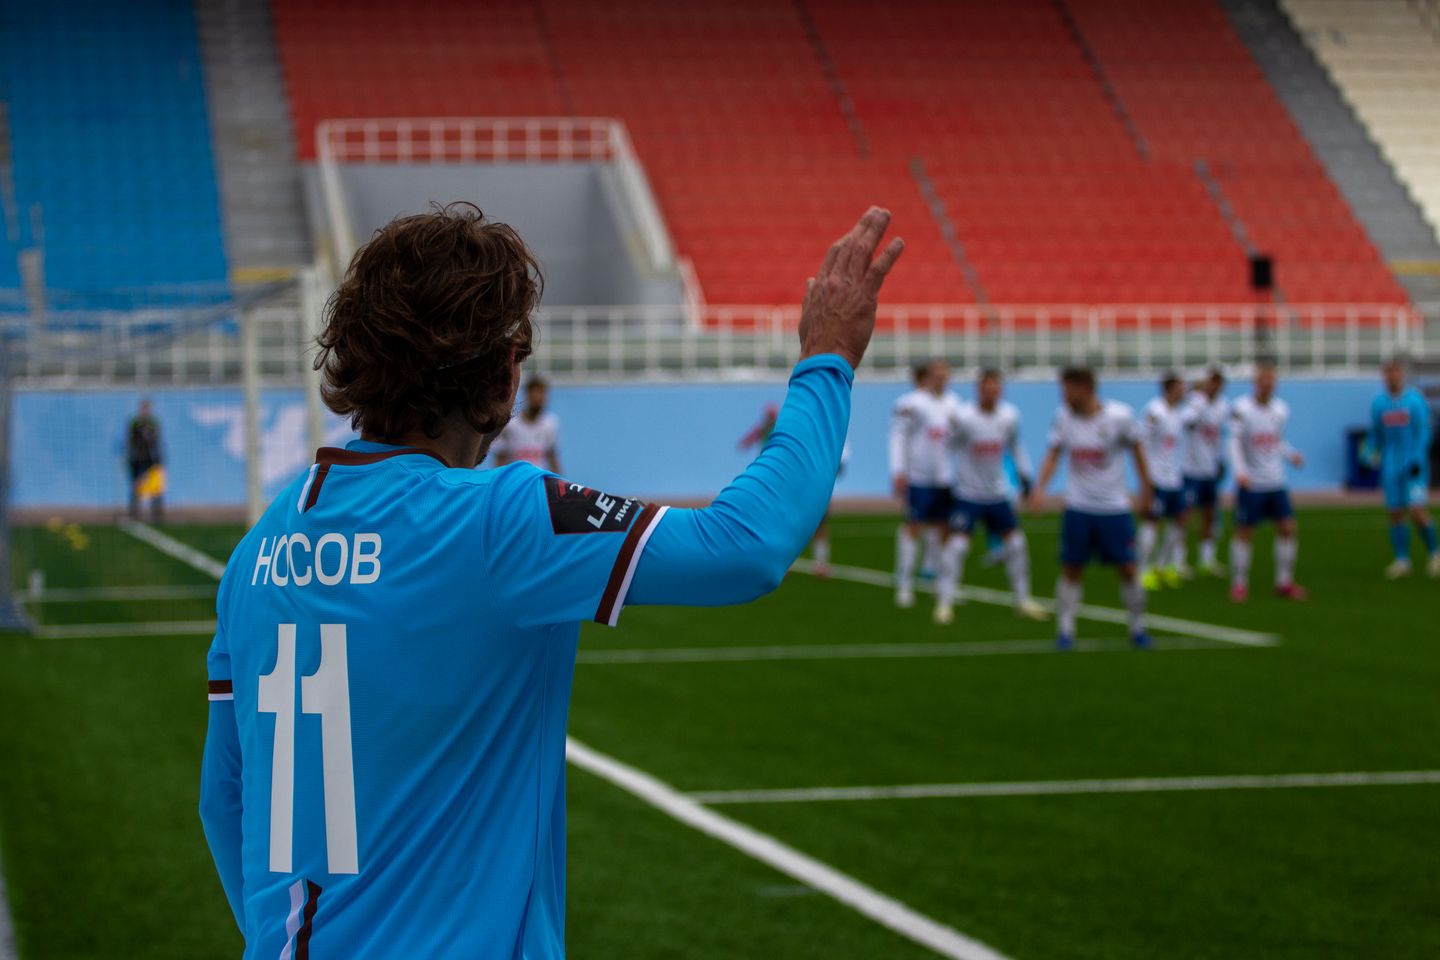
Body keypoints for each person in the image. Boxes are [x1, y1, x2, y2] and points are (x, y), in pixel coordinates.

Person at [198, 203, 904, 957]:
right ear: (504, 374)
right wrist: (827, 359)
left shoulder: (258, 550)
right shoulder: (497, 519)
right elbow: (747, 544)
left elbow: (223, 800)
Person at [1029, 367, 1153, 651]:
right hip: (1078, 507)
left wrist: (1146, 489)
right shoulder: (1063, 418)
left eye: (1067, 389)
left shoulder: (1120, 416)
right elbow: (1053, 454)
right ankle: (1065, 631)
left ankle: (1137, 628)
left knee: (1128, 569)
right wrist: (1040, 488)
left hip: (1114, 508)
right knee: (1071, 568)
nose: (1063, 395)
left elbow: (1137, 451)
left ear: (1085, 387)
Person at [935, 368, 1047, 624]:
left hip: (997, 494)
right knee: (957, 547)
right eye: (986, 388)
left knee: (1017, 544)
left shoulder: (1009, 416)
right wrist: (944, 480)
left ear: (1001, 390)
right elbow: (946, 447)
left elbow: (1016, 447)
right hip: (968, 494)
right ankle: (944, 603)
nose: (991, 393)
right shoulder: (963, 416)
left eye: (995, 388)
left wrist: (1025, 477)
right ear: (979, 390)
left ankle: (1023, 601)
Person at [740, 403, 848, 577]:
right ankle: (789, 562)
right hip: (787, 483)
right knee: (787, 522)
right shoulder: (773, 430)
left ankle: (820, 564)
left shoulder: (796, 431)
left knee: (817, 523)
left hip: (809, 484)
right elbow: (751, 439)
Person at [1229, 361, 1306, 602]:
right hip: (1252, 483)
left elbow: (1277, 440)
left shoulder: (1281, 409)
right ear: (1255, 383)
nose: (1267, 385)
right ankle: (1239, 583)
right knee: (1245, 531)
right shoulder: (1241, 409)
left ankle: (1284, 581)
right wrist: (1240, 471)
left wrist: (1291, 454)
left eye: (1271, 381)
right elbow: (1234, 442)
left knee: (1287, 528)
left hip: (1276, 480)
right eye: (1263, 380)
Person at [889, 359, 962, 607]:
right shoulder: (911, 403)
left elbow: (958, 440)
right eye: (936, 375)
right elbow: (897, 437)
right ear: (928, 377)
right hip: (918, 477)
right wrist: (898, 470)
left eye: (944, 376)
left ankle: (941, 584)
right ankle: (904, 584)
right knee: (913, 528)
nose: (940, 380)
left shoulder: (955, 404)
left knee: (944, 531)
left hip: (944, 479)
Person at [1366, 359, 1438, 577]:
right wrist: (1368, 452)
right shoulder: (1379, 404)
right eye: (1388, 372)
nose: (1392, 376)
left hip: (1414, 465)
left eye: (1395, 371)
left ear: (1402, 375)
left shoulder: (1415, 400)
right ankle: (1402, 560)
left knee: (1416, 510)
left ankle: (1435, 554)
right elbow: (1375, 434)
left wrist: (1417, 459)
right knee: (1395, 512)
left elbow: (1424, 432)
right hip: (1391, 465)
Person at [1137, 373, 1190, 590]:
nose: (1183, 391)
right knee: (1152, 521)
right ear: (1169, 388)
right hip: (1157, 478)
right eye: (1180, 387)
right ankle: (1143, 570)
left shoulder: (1178, 413)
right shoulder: (1154, 411)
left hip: (1175, 478)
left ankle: (1163, 565)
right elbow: (1141, 443)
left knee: (1180, 520)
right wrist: (1146, 479)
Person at [1181, 367, 1229, 577]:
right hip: (1191, 469)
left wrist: (1221, 460)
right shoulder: (1195, 401)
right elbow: (1186, 420)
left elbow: (1219, 436)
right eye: (1212, 381)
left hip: (1211, 469)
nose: (1215, 386)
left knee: (1210, 514)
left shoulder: (1222, 405)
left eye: (1218, 383)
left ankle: (1207, 559)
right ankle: (1178, 561)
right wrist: (1197, 398)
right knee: (1185, 515)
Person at [491, 375, 561, 472]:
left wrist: (559, 479)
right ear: (528, 394)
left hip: (537, 479)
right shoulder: (510, 425)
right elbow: (500, 457)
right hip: (516, 478)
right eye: (536, 392)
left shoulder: (550, 423)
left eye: (542, 393)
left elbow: (551, 456)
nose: (539, 398)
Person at [126, 399, 164, 522]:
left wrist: (158, 459)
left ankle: (157, 514)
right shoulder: (135, 423)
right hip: (137, 459)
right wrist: (130, 456)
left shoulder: (154, 423)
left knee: (155, 487)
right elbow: (131, 441)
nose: (145, 411)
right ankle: (134, 513)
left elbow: (156, 441)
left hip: (151, 459)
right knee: (137, 486)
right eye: (143, 408)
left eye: (147, 408)